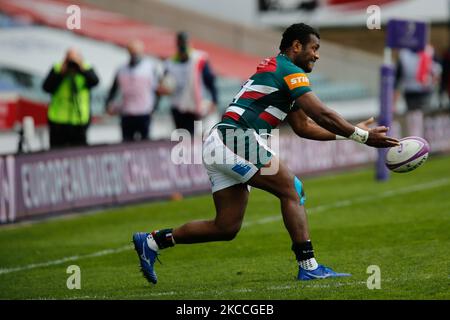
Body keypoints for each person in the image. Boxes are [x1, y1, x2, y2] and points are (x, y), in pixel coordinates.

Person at [132, 23, 399, 284]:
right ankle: (309, 266)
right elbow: (321, 113)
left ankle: (153, 241)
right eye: (314, 48)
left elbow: (304, 126)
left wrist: (348, 133)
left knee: (226, 227)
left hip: (222, 140)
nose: (317, 55)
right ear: (296, 46)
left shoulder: (281, 72)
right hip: (235, 138)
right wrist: (361, 136)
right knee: (291, 189)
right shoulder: (289, 70)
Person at [105, 39, 164, 142]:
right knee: (127, 143)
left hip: (144, 113)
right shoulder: (121, 69)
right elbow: (113, 89)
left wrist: (155, 107)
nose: (134, 55)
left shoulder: (150, 68)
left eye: (136, 52)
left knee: (145, 144)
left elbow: (159, 90)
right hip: (127, 113)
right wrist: (108, 104)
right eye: (132, 52)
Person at [161, 31, 218, 134]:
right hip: (177, 106)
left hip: (194, 106)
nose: (183, 45)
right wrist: (163, 89)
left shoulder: (199, 59)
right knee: (181, 136)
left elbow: (209, 80)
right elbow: (164, 84)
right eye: (180, 42)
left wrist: (214, 100)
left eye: (184, 42)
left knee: (194, 136)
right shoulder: (170, 63)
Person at [42, 48, 99, 148]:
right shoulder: (57, 68)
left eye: (74, 59)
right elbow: (46, 87)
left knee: (79, 153)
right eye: (70, 60)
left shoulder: (86, 68)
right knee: (56, 153)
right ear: (65, 59)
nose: (72, 64)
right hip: (58, 121)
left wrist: (81, 69)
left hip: (79, 120)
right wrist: (61, 73)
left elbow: (95, 81)